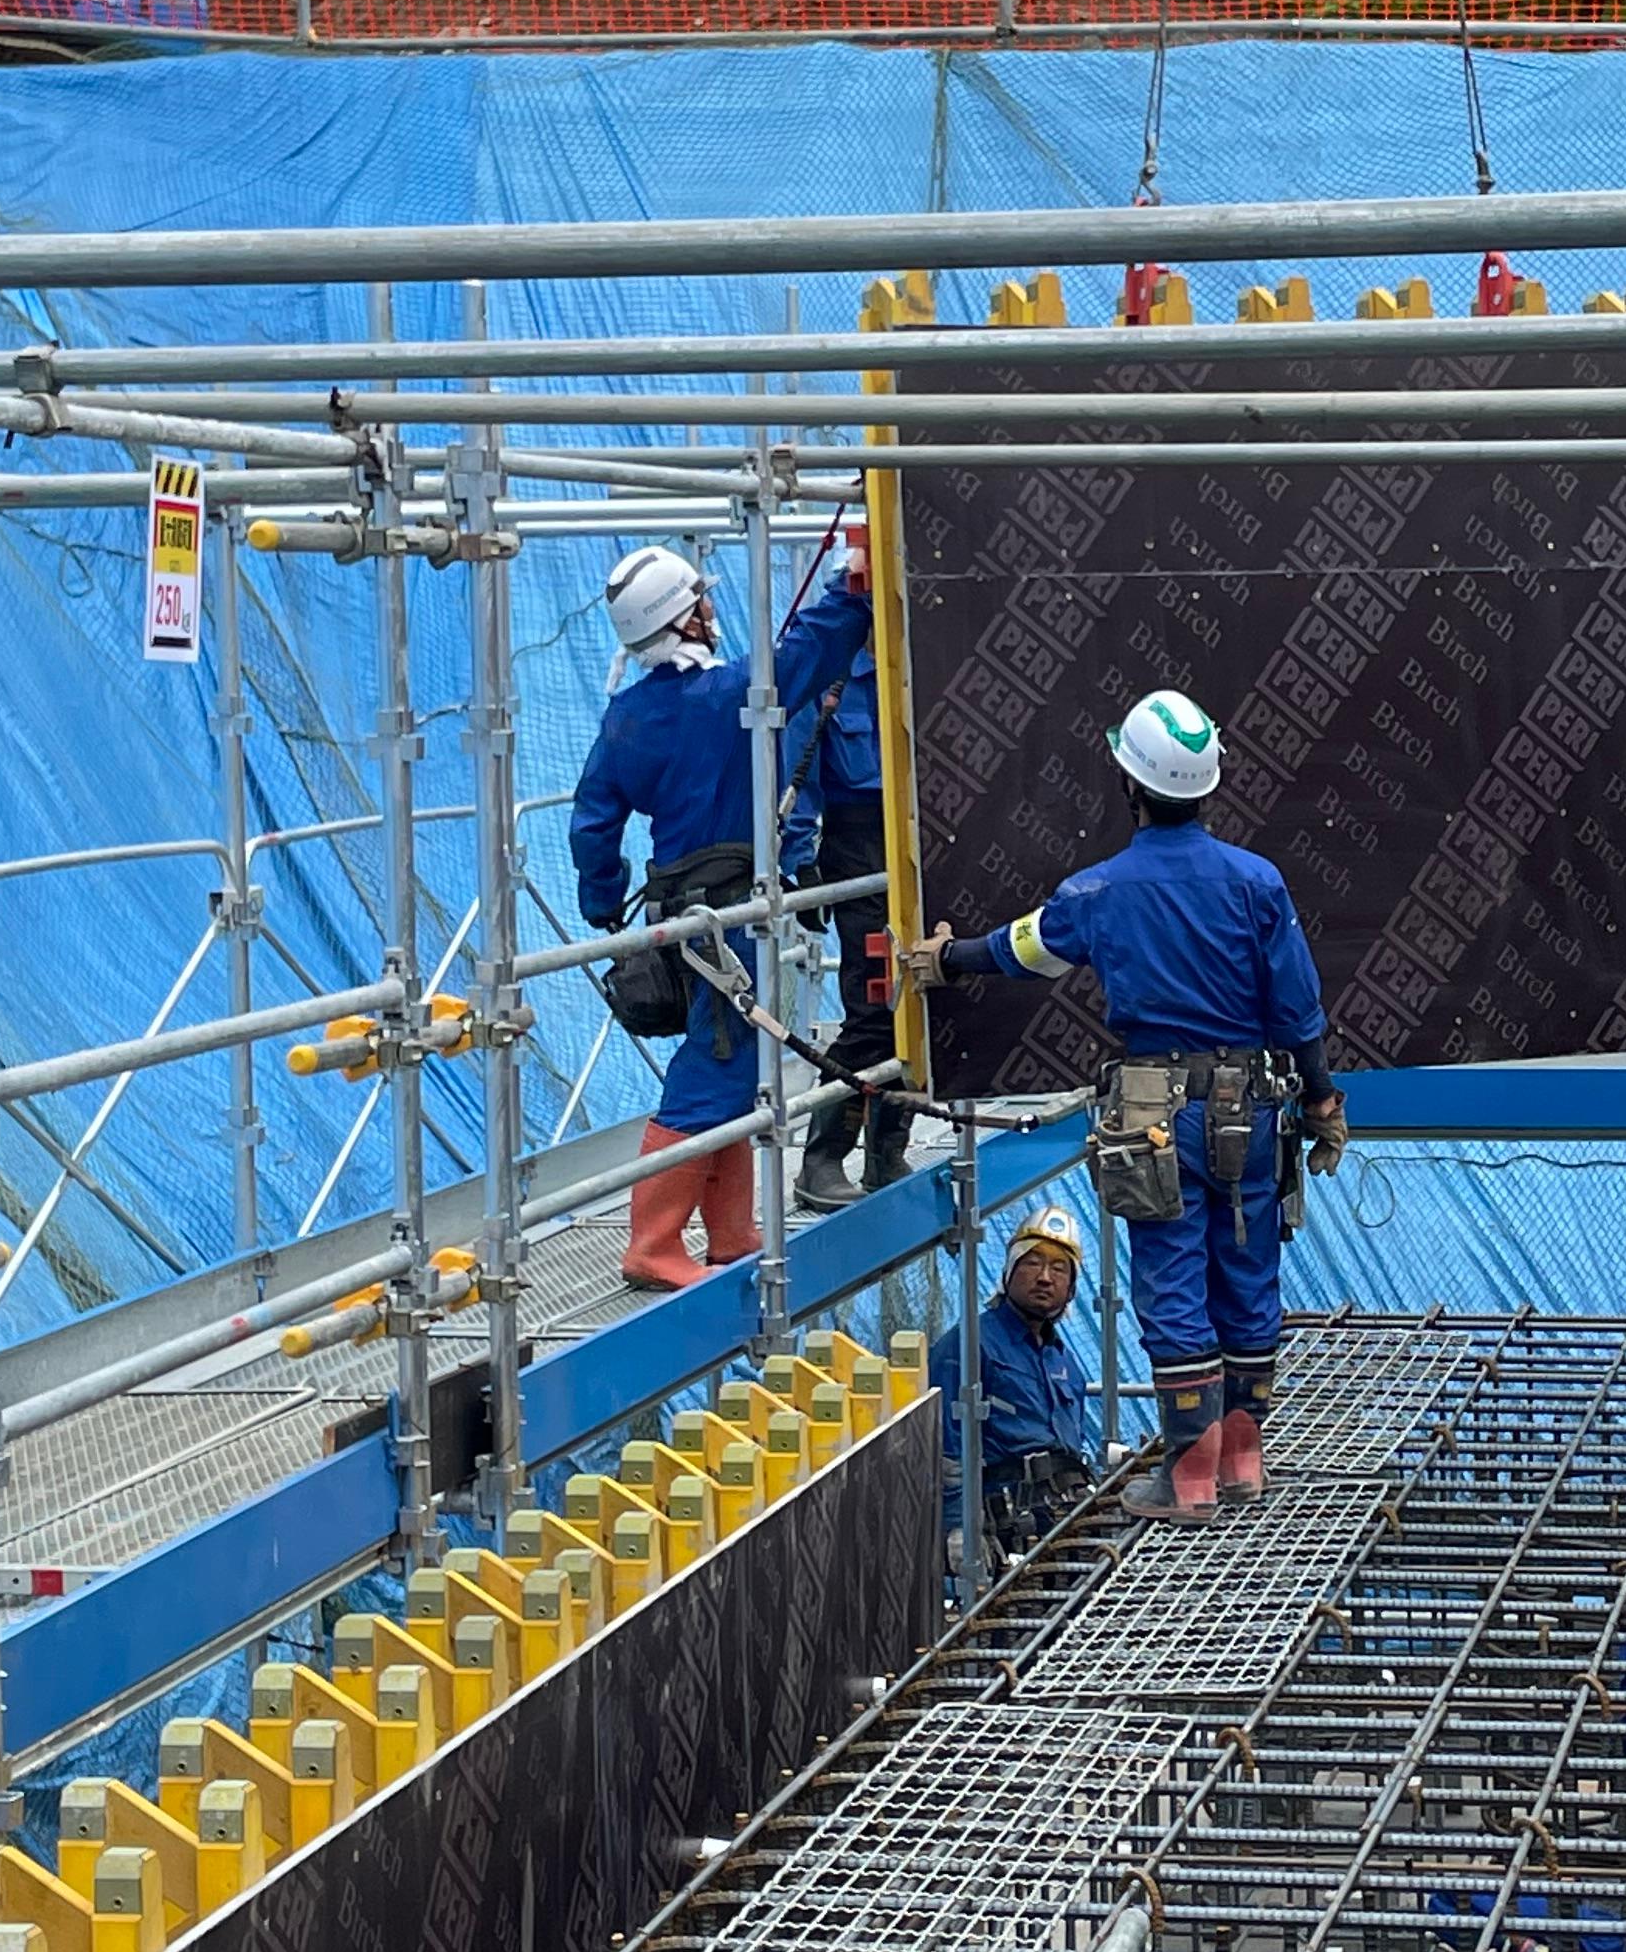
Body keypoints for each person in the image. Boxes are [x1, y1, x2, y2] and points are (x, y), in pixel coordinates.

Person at [900, 686, 1347, 1522]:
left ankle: (1189, 1477)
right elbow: (1298, 1010)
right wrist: (1321, 1099)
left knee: (1173, 1277)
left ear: (1129, 784)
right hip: (1253, 1107)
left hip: (1154, 1113)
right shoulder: (1258, 883)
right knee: (1248, 1267)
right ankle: (1244, 1462)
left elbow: (1021, 949)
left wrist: (947, 959)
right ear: (1208, 784)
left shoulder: (1097, 892)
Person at [570, 538, 873, 1292]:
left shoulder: (626, 717)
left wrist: (602, 898)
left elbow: (593, 820)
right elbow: (809, 651)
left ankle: (731, 1231)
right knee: (717, 1063)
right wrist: (852, 585)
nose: (711, 608)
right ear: (685, 619)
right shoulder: (733, 695)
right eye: (701, 600)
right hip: (729, 916)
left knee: (733, 1063)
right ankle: (653, 1242)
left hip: (680, 907)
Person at [786, 656, 911, 1212]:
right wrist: (801, 864)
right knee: (873, 1008)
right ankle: (823, 1158)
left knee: (917, 1001)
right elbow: (797, 775)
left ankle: (887, 1150)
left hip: (918, 835)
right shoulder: (828, 671)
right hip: (858, 846)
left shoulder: (915, 656)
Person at [926, 1205, 1097, 1559]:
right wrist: (959, 1527)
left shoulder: (1064, 1362)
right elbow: (947, 1449)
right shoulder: (968, 1345)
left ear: (1071, 1289)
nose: (1045, 1277)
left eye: (1059, 1268)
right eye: (1032, 1262)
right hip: (1008, 1527)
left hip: (1066, 1519)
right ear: (1009, 1271)